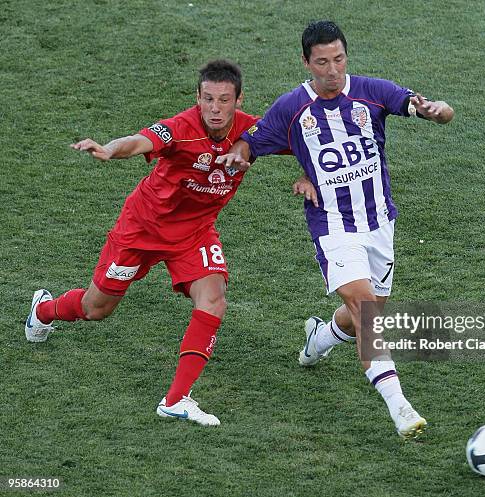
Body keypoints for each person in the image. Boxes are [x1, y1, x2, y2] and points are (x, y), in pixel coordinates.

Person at [25, 59, 305, 427]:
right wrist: (111, 149)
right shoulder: (181, 129)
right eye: (208, 99)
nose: (215, 109)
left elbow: (305, 143)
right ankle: (44, 310)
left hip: (195, 232)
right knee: (96, 309)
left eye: (224, 100)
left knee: (214, 298)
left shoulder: (252, 131)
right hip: (142, 230)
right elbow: (141, 140)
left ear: (238, 100)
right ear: (198, 97)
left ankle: (175, 400)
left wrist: (307, 174)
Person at [216, 21, 454, 439]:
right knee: (367, 313)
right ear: (306, 62)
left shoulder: (371, 90)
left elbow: (424, 105)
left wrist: (438, 111)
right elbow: (251, 140)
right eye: (322, 62)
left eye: (339, 59)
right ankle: (399, 407)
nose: (332, 69)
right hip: (333, 226)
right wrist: (239, 154)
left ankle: (319, 339)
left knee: (366, 313)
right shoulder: (292, 107)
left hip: (380, 223)